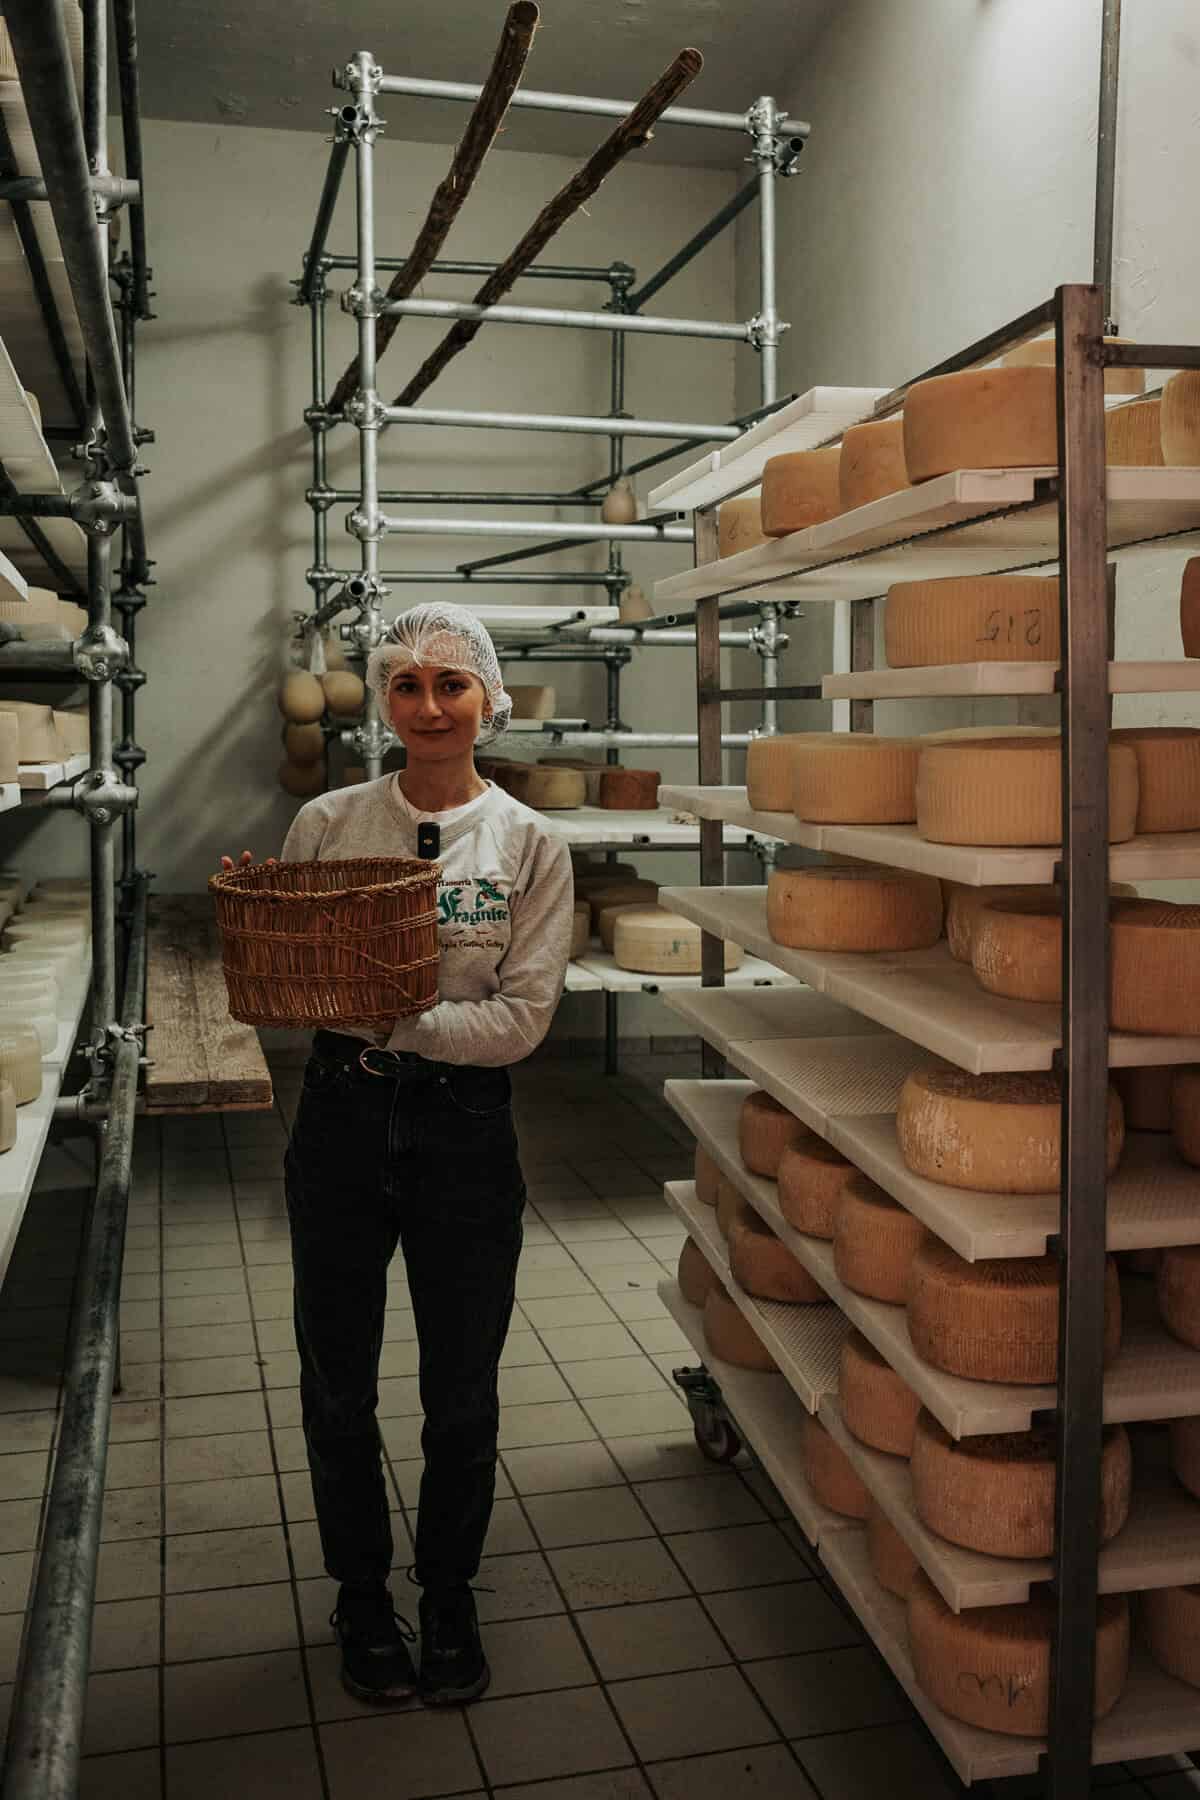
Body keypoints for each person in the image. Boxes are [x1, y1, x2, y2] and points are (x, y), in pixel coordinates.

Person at [223, 603, 572, 1707]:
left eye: (450, 686)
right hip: (340, 1121)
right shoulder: (328, 821)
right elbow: (295, 990)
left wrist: (393, 1020)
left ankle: (452, 1592)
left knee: (461, 1389)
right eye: (407, 685)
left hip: (464, 1132)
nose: (428, 707)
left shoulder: (528, 843)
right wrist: (261, 934)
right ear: (383, 699)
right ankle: (362, 1595)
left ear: (487, 699)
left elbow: (522, 1020)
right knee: (337, 1381)